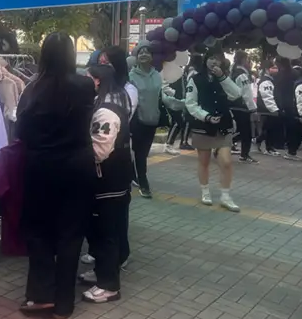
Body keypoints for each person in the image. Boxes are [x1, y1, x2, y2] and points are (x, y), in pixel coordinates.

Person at [16, 32, 96, 319]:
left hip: (41, 166)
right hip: (77, 165)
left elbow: (21, 131)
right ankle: (64, 304)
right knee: (71, 234)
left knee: (38, 231)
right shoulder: (85, 85)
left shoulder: (32, 89)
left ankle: (41, 295)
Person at [80, 64, 132, 304]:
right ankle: (102, 272)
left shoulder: (106, 112)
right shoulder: (109, 103)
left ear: (98, 81)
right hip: (113, 179)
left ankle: (109, 285)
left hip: (109, 181)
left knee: (106, 232)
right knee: (105, 230)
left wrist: (76, 156)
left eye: (87, 77)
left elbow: (99, 151)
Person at [185, 49, 243, 212]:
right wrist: (206, 116)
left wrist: (222, 77)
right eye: (211, 58)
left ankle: (225, 196)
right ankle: (205, 191)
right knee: (204, 161)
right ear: (205, 60)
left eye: (218, 59)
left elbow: (236, 94)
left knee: (226, 161)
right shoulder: (195, 79)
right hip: (203, 126)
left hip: (223, 125)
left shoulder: (225, 77)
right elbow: (191, 103)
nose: (214, 62)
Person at [128, 45, 181, 198]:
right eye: (140, 52)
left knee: (143, 153)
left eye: (147, 52)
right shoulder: (131, 76)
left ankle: (133, 174)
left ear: (152, 57)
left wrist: (182, 104)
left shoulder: (157, 75)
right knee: (140, 153)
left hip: (152, 120)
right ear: (136, 57)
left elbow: (162, 96)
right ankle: (143, 184)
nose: (143, 54)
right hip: (137, 120)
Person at [230, 51, 259, 164]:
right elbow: (247, 93)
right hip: (242, 106)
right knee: (246, 132)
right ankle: (244, 155)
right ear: (243, 59)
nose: (249, 62)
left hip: (234, 105)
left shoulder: (233, 72)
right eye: (247, 59)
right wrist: (253, 108)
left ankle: (221, 147)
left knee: (239, 130)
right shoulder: (241, 74)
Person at [256, 62, 283, 156]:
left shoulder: (271, 80)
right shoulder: (266, 81)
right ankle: (267, 146)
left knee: (269, 129)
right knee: (268, 129)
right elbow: (267, 97)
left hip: (269, 109)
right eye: (273, 68)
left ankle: (267, 145)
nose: (276, 70)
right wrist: (274, 109)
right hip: (267, 110)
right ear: (267, 69)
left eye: (276, 68)